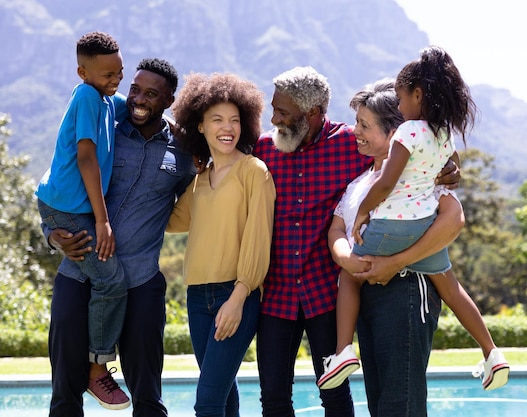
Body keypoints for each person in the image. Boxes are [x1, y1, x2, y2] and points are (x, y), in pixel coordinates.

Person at [252, 66, 460, 416]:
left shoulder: (354, 142)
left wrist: (452, 164)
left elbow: (413, 145)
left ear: (314, 114)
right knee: (273, 398)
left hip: (325, 294)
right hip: (277, 294)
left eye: (284, 112)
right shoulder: (263, 149)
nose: (274, 119)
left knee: (337, 396)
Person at [320, 47, 509, 397]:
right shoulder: (360, 181)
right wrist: (346, 256)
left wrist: (392, 260)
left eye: (364, 126)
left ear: (395, 129)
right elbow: (335, 228)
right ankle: (491, 352)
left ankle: (342, 350)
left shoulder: (426, 172)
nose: (355, 132)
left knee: (399, 400)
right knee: (383, 399)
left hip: (406, 290)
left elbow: (454, 218)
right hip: (373, 291)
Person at [45, 58, 195, 417]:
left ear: (170, 100)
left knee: (147, 395)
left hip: (141, 279)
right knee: (65, 393)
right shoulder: (102, 124)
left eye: (151, 94)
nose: (139, 99)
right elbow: (60, 184)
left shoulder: (184, 150)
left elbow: (200, 201)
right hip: (79, 270)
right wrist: (53, 237)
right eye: (135, 89)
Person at [167, 72, 276, 417]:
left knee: (208, 402)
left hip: (236, 293)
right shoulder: (199, 181)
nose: (227, 127)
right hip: (197, 297)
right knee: (223, 395)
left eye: (234, 120)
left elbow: (259, 240)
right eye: (216, 120)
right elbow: (170, 221)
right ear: (199, 126)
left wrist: (239, 296)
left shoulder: (254, 172)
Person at [35, 31, 130, 409]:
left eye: (119, 72)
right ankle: (97, 368)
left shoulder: (107, 98)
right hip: (68, 209)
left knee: (104, 278)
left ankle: (94, 362)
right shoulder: (89, 95)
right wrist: (103, 222)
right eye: (107, 74)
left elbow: (142, 110)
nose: (115, 80)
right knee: (111, 280)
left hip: (66, 208)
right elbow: (86, 158)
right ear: (82, 72)